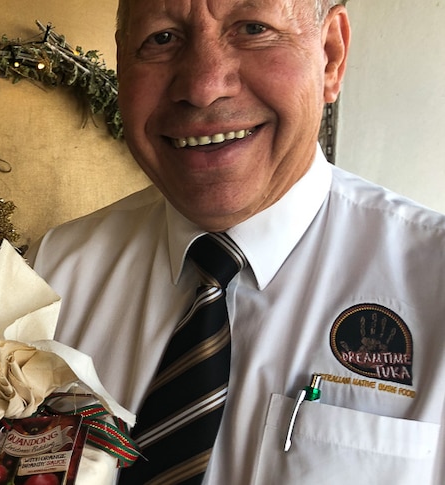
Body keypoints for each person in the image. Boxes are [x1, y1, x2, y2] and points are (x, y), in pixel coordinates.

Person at [28, 0, 445, 483]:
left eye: (253, 28)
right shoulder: (54, 271)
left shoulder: (434, 281)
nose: (203, 87)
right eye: (161, 38)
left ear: (330, 55)